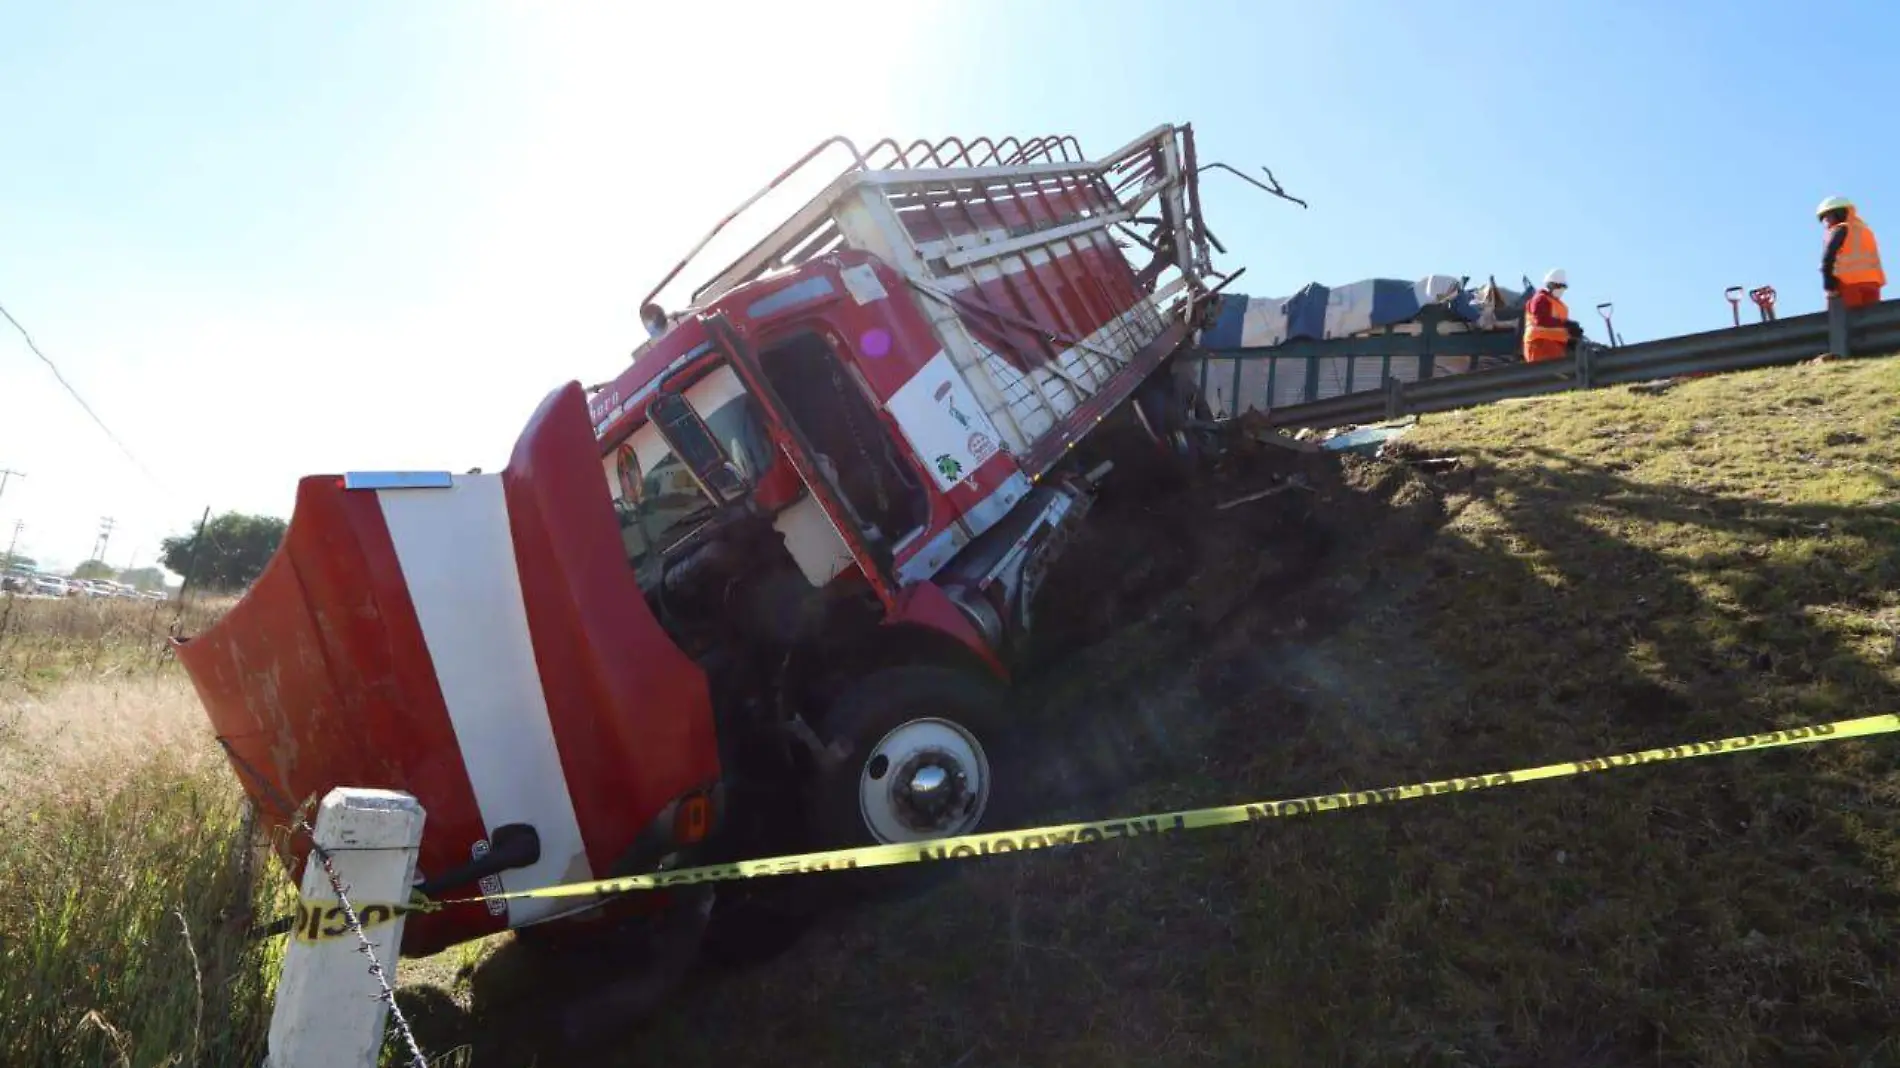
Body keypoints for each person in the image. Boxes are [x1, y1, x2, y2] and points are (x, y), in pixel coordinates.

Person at [1817, 197, 1884, 309]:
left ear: (1839, 214)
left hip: (1848, 284)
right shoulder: (1866, 231)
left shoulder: (1840, 229)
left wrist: (1829, 284)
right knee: (1872, 322)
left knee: (1843, 323)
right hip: (1872, 285)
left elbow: (1828, 257)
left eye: (1828, 217)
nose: (1827, 222)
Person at [1521, 268, 1585, 363]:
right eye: (1558, 286)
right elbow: (1540, 320)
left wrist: (1571, 336)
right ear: (1550, 285)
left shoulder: (1561, 306)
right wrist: (1566, 325)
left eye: (1562, 286)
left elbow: (1559, 327)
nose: (1560, 289)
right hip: (1539, 344)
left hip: (1557, 346)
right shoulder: (1540, 299)